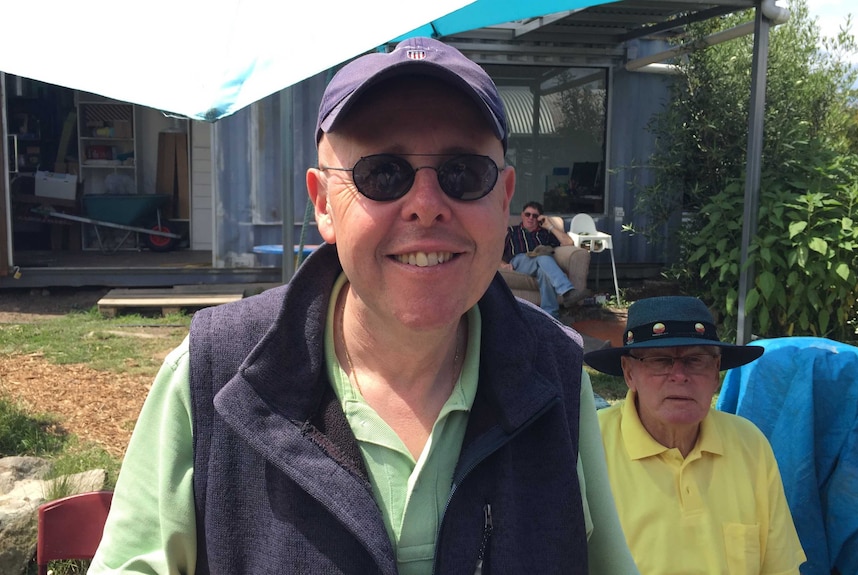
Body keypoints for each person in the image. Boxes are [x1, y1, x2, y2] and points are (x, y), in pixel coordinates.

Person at [88, 37, 638, 574]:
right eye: (383, 174)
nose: (426, 206)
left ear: (504, 198)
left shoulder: (556, 374)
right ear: (324, 204)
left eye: (463, 174)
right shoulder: (212, 376)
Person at [584, 296, 807, 575]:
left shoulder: (750, 444)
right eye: (660, 360)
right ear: (630, 373)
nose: (679, 375)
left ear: (716, 373)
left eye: (696, 360)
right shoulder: (587, 448)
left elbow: (780, 568)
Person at [501, 201, 588, 318]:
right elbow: (494, 252)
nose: (530, 218)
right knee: (543, 256)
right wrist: (503, 264)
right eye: (528, 214)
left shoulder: (545, 233)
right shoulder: (511, 231)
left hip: (542, 262)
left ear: (539, 218)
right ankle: (567, 292)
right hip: (520, 261)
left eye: (535, 216)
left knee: (544, 272)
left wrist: (550, 226)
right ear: (522, 215)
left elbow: (568, 243)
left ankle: (550, 316)